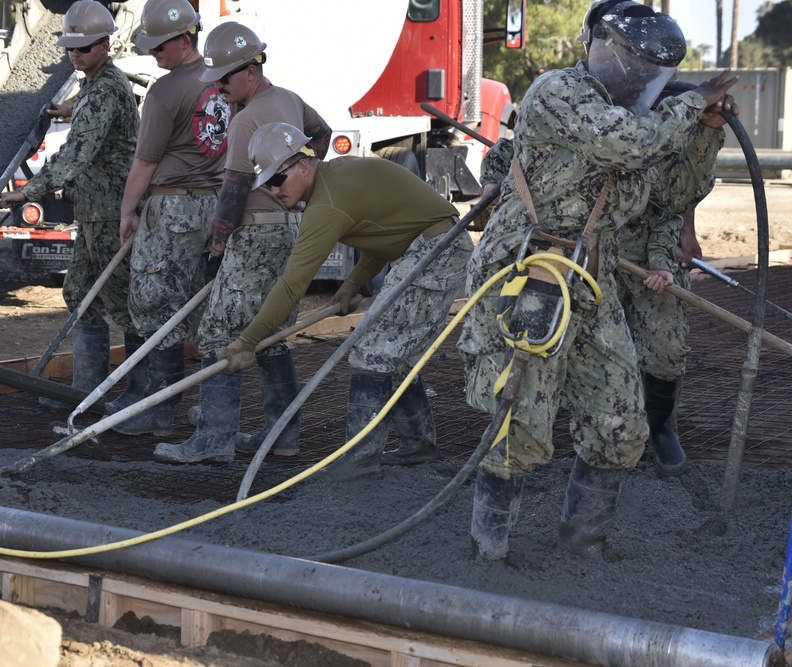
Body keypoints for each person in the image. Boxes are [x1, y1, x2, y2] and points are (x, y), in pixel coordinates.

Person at [455, 0, 736, 561]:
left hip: (590, 278)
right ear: (598, 47)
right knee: (520, 420)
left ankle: (583, 543)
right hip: (527, 272)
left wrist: (703, 133)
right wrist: (689, 103)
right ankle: (488, 553)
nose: (634, 77)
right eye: (626, 62)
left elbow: (674, 194)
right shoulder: (561, 93)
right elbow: (629, 143)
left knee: (621, 420)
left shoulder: (647, 120)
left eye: (644, 69)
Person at [217, 122, 475, 481]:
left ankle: (360, 458)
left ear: (303, 165)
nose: (274, 191)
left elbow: (293, 285)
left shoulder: (328, 202)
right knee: (390, 350)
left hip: (439, 250)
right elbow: (387, 231)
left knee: (372, 350)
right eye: (268, 184)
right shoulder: (334, 180)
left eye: (278, 180)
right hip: (429, 244)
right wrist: (352, 282)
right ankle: (418, 446)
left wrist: (248, 341)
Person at [152, 22, 331, 464]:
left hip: (255, 233)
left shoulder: (247, 120)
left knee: (219, 333)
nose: (220, 88)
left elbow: (232, 192)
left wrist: (216, 251)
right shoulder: (287, 98)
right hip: (289, 227)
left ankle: (213, 440)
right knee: (271, 333)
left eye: (226, 79)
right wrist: (298, 182)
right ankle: (283, 435)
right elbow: (321, 133)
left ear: (251, 70)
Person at [0, 0, 138, 405]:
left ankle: (139, 392)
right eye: (70, 49)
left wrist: (30, 190)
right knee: (79, 293)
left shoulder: (104, 91)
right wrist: (68, 108)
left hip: (112, 214)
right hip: (93, 213)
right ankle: (87, 389)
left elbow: (77, 153)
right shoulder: (95, 84)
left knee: (122, 301)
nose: (75, 55)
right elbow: (89, 110)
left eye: (84, 48)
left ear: (105, 45)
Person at [103, 0, 229, 436]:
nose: (154, 56)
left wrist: (127, 210)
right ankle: (204, 414)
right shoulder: (222, 81)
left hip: (173, 207)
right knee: (200, 305)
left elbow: (145, 162)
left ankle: (159, 408)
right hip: (216, 203)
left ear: (183, 40)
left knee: (155, 301)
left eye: (158, 48)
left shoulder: (165, 91)